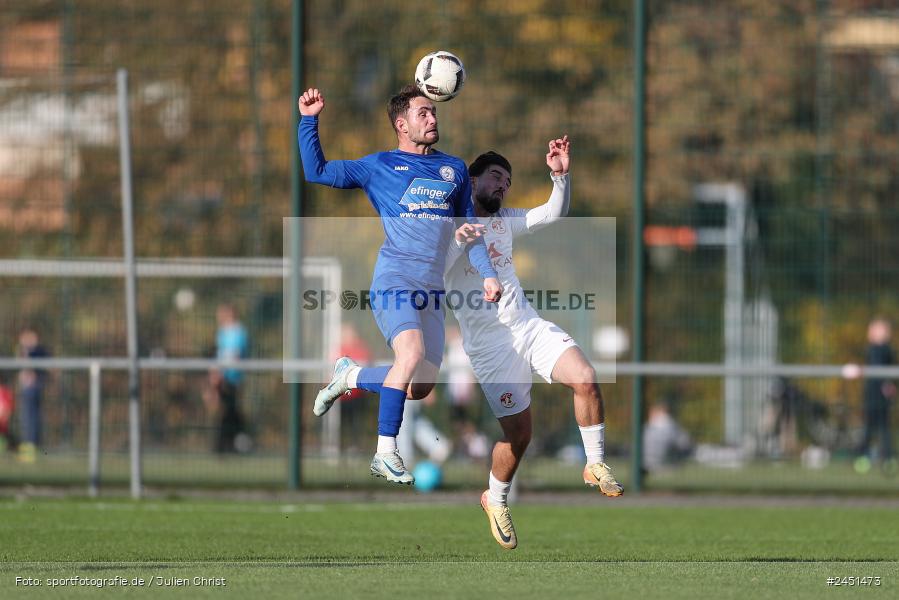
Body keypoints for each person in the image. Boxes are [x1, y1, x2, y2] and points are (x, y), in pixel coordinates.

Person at [297, 85, 502, 484]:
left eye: (433, 113)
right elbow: (315, 171)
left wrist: (488, 273)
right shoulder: (380, 166)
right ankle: (385, 452)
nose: (432, 118)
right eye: (423, 113)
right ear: (401, 124)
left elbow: (469, 231)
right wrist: (309, 120)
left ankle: (351, 377)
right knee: (409, 355)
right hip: (395, 279)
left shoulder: (454, 169)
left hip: (432, 291)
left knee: (418, 387)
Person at [443, 138, 623, 550]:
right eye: (495, 177)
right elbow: (444, 266)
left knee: (586, 377)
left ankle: (595, 464)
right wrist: (460, 242)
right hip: (490, 349)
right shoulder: (449, 225)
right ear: (472, 180)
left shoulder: (506, 220)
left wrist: (560, 177)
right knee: (519, 435)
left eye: (507, 181)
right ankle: (496, 499)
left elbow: (551, 214)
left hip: (528, 327)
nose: (503, 186)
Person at [208, 304, 249, 454]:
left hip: (232, 379)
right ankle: (237, 442)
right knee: (228, 412)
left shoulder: (239, 332)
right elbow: (218, 355)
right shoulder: (222, 332)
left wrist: (221, 373)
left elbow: (234, 355)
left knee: (229, 412)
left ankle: (224, 446)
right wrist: (214, 374)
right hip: (220, 377)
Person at [856, 318, 895, 471]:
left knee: (884, 428)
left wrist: (889, 385)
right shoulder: (871, 350)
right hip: (871, 394)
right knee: (869, 428)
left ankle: (888, 458)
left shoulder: (886, 350)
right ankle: (863, 457)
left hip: (882, 396)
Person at [16, 328, 48, 463]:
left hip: (32, 390)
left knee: (31, 418)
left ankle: (31, 447)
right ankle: (27, 446)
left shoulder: (37, 351)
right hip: (25, 390)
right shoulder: (23, 351)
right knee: (25, 418)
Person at [643, 401, 693, 472]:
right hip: (665, 464)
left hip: (645, 463)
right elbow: (685, 444)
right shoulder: (670, 424)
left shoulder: (646, 427)